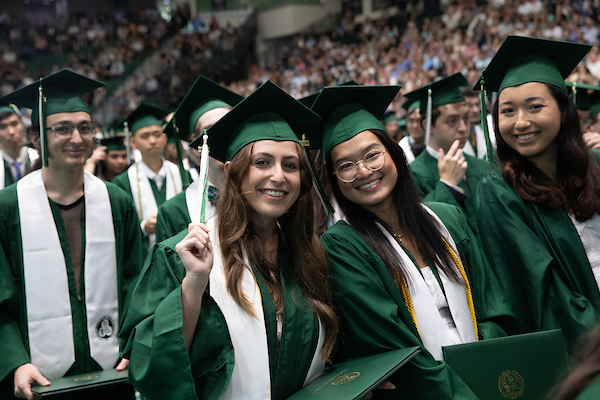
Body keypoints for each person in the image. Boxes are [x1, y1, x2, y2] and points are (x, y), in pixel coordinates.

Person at [119, 81, 338, 400]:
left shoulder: (310, 253)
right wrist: (193, 282)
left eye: (290, 165)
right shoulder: (183, 256)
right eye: (262, 162)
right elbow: (155, 366)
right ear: (232, 171)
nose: (278, 175)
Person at [310, 84, 516, 399]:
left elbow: (492, 307)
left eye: (372, 155)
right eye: (345, 165)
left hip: (486, 374)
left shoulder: (446, 217)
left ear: (394, 154)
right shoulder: (342, 246)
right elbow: (392, 345)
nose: (364, 171)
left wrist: (488, 370)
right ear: (335, 180)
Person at [0, 69, 144, 399]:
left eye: (85, 127)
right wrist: (15, 362)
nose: (77, 138)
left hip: (112, 372)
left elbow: (136, 283)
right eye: (62, 129)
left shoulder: (116, 201)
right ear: (36, 138)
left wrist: (135, 341)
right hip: (36, 379)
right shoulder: (8, 207)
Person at [476, 35, 600, 356]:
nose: (521, 122)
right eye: (507, 111)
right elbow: (543, 290)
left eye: (535, 107)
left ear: (563, 109)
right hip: (582, 351)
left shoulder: (595, 166)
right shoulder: (498, 193)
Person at [155, 76, 243, 242]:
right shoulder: (173, 212)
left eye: (229, 127)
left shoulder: (265, 196)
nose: (222, 137)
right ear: (195, 147)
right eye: (210, 131)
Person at [408, 74, 492, 236]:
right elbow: (423, 231)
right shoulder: (413, 175)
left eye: (466, 118)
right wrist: (447, 186)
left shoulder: (483, 166)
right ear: (428, 125)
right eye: (452, 121)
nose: (463, 128)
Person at [112, 102, 191, 249]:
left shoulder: (183, 175)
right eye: (145, 136)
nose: (153, 141)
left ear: (165, 138)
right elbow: (119, 229)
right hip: (144, 258)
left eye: (157, 134)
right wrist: (143, 227)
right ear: (133, 142)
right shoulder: (122, 183)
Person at [0, 104, 38, 188]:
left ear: (22, 125)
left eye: (14, 124)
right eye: (3, 127)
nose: (11, 132)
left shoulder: (37, 158)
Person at [461, 88, 496, 159]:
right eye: (470, 106)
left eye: (477, 104)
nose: (475, 110)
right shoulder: (454, 136)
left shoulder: (483, 131)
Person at [398, 98, 425, 164]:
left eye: (419, 121)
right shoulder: (401, 147)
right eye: (411, 120)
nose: (415, 126)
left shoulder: (436, 145)